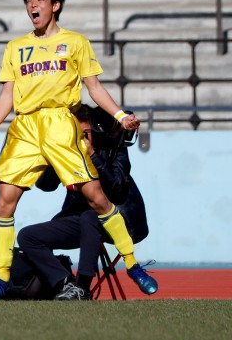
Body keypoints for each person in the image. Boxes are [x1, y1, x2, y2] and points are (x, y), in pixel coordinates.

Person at [0, 0, 157, 301]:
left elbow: (94, 87)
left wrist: (121, 116)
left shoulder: (75, 42)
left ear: (55, 5)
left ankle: (132, 264)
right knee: (4, 200)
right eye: (28, 0)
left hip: (59, 122)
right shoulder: (16, 48)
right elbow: (7, 95)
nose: (32, 6)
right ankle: (0, 278)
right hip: (25, 127)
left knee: (97, 198)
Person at [17, 104, 150, 300]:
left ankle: (83, 288)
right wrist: (50, 153)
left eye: (84, 133)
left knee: (90, 217)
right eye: (74, 133)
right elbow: (46, 185)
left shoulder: (113, 149)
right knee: (28, 236)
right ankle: (66, 284)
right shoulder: (65, 154)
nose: (80, 138)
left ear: (94, 131)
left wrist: (93, 155)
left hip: (121, 222)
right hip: (82, 221)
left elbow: (117, 190)